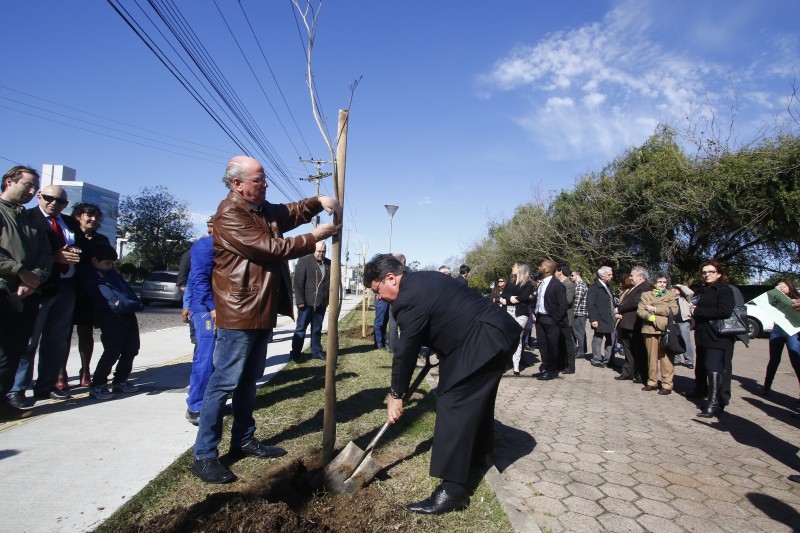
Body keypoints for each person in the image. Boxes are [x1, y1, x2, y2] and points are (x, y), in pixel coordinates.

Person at [192, 155, 340, 484]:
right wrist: (315, 237)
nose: (265, 184)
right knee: (223, 383)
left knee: (249, 381)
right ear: (238, 184)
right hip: (239, 311)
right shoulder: (230, 214)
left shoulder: (261, 210)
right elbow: (270, 248)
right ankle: (204, 454)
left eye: (264, 179)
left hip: (261, 310)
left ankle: (244, 439)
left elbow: (288, 213)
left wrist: (318, 201)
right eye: (259, 180)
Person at [364, 254, 522, 515]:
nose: (377, 297)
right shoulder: (424, 278)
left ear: (390, 278)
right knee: (475, 398)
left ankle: (452, 490)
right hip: (497, 332)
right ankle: (477, 454)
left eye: (376, 290)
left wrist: (396, 394)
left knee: (453, 400)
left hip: (485, 337)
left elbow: (405, 350)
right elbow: (445, 313)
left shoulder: (406, 299)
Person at [9, 185, 81, 407]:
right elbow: (25, 252)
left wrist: (76, 251)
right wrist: (54, 258)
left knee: (57, 341)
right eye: (49, 198)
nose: (54, 203)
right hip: (38, 288)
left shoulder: (68, 222)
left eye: (60, 201)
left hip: (66, 287)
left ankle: (46, 385)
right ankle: (17, 389)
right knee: (29, 342)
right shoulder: (27, 218)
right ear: (40, 197)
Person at [0, 166, 52, 420]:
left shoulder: (30, 218)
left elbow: (45, 255)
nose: (32, 191)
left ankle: (3, 401)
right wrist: (19, 271)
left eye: (35, 188)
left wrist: (34, 279)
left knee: (14, 350)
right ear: (9, 182)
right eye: (28, 185)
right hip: (3, 289)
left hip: (27, 293)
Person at [78, 244, 143, 400]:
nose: (110, 266)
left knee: (131, 348)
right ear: (94, 260)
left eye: (112, 263)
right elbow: (99, 292)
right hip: (109, 315)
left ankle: (120, 380)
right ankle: (98, 384)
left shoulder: (111, 273)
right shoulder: (90, 274)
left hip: (126, 314)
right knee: (112, 351)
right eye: (107, 263)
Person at [68, 203, 110, 387]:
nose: (93, 220)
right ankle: (60, 373)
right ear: (78, 216)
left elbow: (109, 261)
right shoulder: (71, 236)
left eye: (96, 217)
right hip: (70, 287)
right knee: (63, 334)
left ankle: (85, 371)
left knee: (86, 334)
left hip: (90, 291)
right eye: (89, 216)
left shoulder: (101, 239)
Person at [690, 260, 736, 418]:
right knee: (705, 366)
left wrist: (698, 311)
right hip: (703, 334)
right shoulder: (704, 290)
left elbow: (725, 311)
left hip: (718, 337)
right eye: (704, 272)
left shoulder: (724, 290)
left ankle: (714, 403)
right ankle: (709, 396)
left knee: (713, 367)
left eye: (711, 271)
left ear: (719, 273)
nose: (707, 274)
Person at [185, 217, 218, 425]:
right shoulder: (204, 247)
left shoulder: (231, 245)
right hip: (207, 310)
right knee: (205, 358)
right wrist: (212, 307)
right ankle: (195, 405)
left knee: (219, 360)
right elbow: (197, 280)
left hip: (223, 309)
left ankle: (213, 401)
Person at [637, 272, 679, 395]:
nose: (662, 284)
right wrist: (651, 318)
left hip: (665, 330)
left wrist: (655, 309)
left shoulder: (670, 294)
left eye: (664, 282)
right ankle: (652, 382)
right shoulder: (646, 295)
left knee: (666, 358)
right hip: (649, 329)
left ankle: (667, 384)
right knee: (651, 357)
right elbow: (640, 310)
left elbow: (674, 310)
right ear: (654, 283)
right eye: (660, 282)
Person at [290, 241, 331, 361]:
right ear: (314, 250)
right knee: (301, 328)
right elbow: (297, 283)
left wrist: (327, 299)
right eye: (319, 251)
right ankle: (296, 353)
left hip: (321, 303)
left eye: (323, 251)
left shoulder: (329, 263)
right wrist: (299, 300)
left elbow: (329, 284)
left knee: (317, 329)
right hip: (306, 303)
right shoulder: (304, 260)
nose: (321, 254)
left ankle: (316, 352)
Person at [759, 280, 800, 397]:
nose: (781, 288)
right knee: (774, 360)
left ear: (790, 287)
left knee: (796, 360)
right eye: (779, 286)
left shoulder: (797, 300)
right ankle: (767, 387)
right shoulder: (774, 299)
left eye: (784, 286)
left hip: (793, 331)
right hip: (777, 330)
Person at [533, 259, 568, 381]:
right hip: (540, 318)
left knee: (552, 346)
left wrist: (555, 319)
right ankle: (545, 368)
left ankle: (552, 371)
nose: (539, 267)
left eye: (541, 266)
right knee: (542, 345)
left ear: (547, 269)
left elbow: (563, 305)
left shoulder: (557, 285)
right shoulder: (542, 283)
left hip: (551, 320)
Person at [615, 267, 651, 383]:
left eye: (632, 275)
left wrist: (619, 309)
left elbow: (635, 302)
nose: (630, 277)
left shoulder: (645, 287)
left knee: (639, 350)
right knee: (628, 349)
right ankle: (628, 372)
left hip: (635, 323)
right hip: (627, 323)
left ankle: (641, 374)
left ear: (640, 276)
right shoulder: (633, 288)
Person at [498, 262, 533, 375]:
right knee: (507, 338)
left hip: (521, 314)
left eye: (515, 267)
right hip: (508, 313)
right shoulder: (510, 281)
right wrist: (510, 298)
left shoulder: (528, 283)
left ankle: (516, 365)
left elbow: (523, 297)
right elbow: (504, 295)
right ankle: (504, 363)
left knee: (517, 337)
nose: (512, 268)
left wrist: (508, 300)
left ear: (520, 269)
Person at [587, 266, 615, 368]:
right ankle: (596, 359)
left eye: (611, 274)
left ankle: (609, 359)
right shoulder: (594, 287)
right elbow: (591, 304)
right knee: (598, 339)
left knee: (611, 339)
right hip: (599, 318)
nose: (612, 276)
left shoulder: (608, 286)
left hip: (609, 317)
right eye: (609, 275)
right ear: (602, 275)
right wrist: (593, 319)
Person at [554, 264, 576, 374]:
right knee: (560, 342)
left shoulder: (569, 284)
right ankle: (561, 364)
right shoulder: (561, 284)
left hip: (567, 318)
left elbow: (568, 301)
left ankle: (571, 366)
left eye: (556, 271)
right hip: (560, 318)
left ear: (560, 272)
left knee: (568, 343)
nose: (554, 274)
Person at [672, 284, 695, 369]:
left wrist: (680, 286)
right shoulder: (671, 299)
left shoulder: (685, 299)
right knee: (676, 341)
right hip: (674, 323)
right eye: (673, 289)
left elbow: (690, 292)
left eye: (676, 289)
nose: (674, 290)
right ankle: (677, 359)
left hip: (684, 322)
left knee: (686, 341)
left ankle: (689, 360)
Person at [571, 270, 589, 359]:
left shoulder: (580, 285)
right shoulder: (578, 285)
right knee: (576, 333)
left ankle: (581, 351)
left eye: (572, 275)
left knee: (579, 334)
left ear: (578, 275)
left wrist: (572, 313)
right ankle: (576, 350)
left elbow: (577, 300)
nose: (571, 277)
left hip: (579, 314)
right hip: (578, 313)